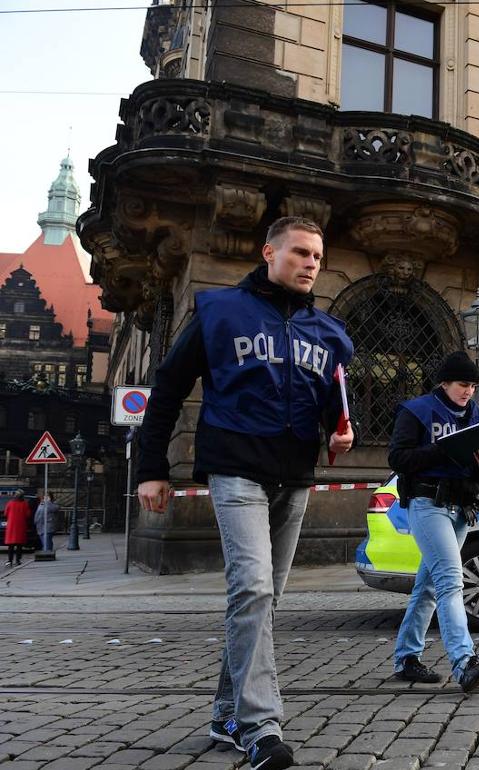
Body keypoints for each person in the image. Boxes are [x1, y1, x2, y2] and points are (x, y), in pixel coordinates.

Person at [135, 216, 354, 770]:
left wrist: (338, 431)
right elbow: (167, 388)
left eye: (318, 257)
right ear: (269, 253)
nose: (311, 264)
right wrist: (151, 468)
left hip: (296, 475)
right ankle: (261, 727)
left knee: (264, 599)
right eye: (300, 252)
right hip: (236, 469)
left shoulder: (329, 333)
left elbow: (332, 402)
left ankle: (226, 714)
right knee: (252, 589)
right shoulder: (219, 311)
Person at [390, 350, 479, 692]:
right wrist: (443, 449)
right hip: (427, 503)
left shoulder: (474, 413)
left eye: (473, 386)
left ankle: (406, 658)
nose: (469, 391)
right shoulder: (416, 410)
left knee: (429, 586)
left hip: (462, 506)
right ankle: (464, 662)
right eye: (463, 384)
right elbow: (398, 458)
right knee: (451, 581)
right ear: (444, 383)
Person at [4, 492, 31, 567]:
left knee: (11, 545)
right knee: (19, 545)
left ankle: (10, 560)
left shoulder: (10, 503)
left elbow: (6, 513)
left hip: (11, 526)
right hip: (21, 526)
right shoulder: (25, 504)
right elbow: (28, 514)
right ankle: (18, 560)